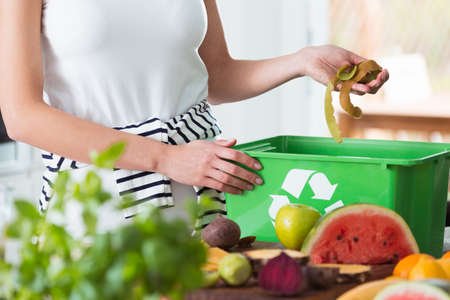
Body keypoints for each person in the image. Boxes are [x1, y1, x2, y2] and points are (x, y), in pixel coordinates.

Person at [0, 0, 388, 224]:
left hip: (199, 191)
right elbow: (22, 114)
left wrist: (302, 61)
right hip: (97, 203)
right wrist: (165, 158)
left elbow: (214, 76)